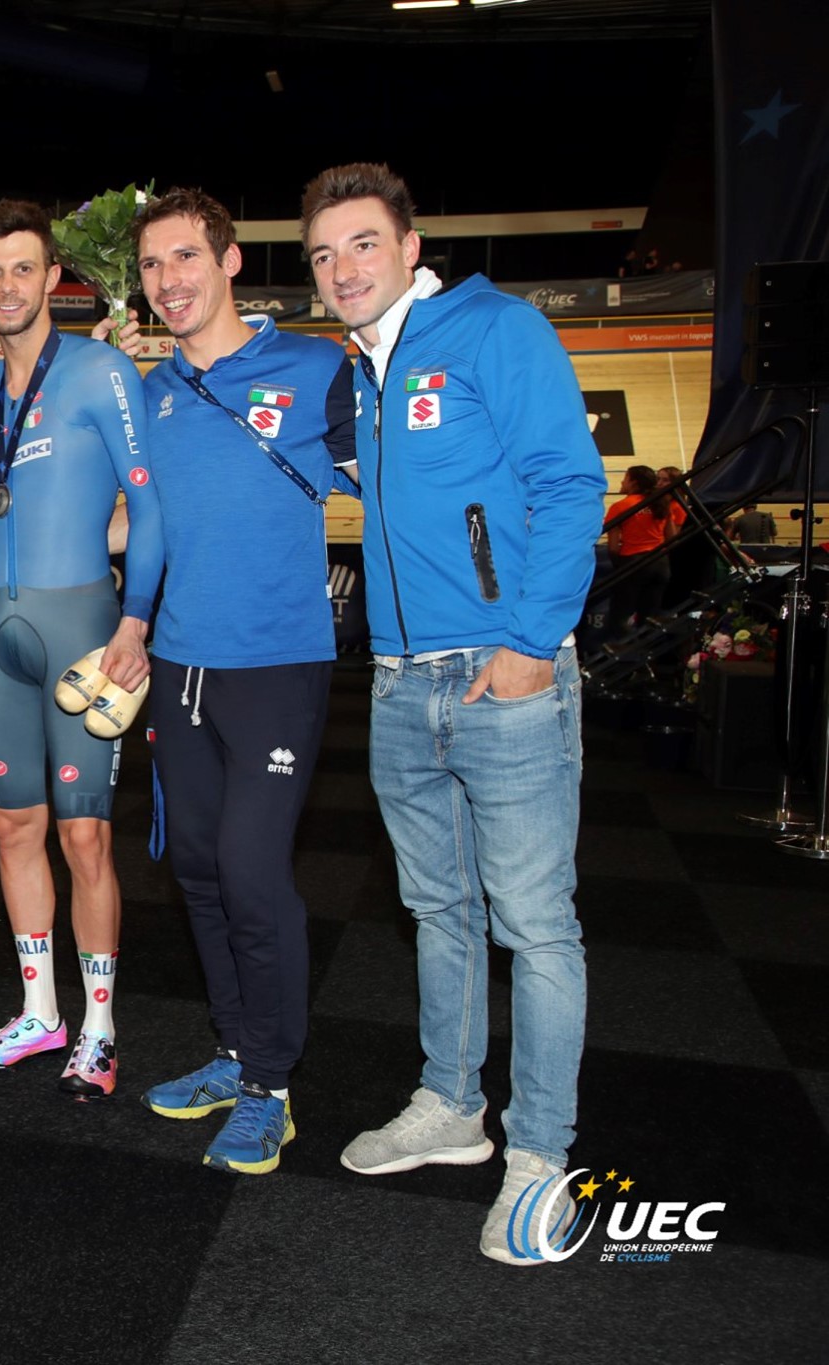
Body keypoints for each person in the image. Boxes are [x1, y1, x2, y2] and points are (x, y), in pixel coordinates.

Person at [301, 162, 604, 1265]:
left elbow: (572, 486)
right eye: (324, 252)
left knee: (535, 924)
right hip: (395, 680)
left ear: (409, 246)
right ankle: (449, 1106)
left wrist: (529, 647)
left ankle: (539, 1157)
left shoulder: (492, 330)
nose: (342, 268)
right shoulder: (364, 370)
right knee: (437, 913)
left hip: (502, 676)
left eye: (362, 244)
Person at [98, 188, 356, 1171]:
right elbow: (134, 527)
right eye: (152, 267)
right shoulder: (150, 391)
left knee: (253, 876)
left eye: (183, 259)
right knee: (198, 872)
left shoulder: (314, 366)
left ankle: (270, 1086)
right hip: (177, 665)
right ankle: (232, 1051)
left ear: (228, 260)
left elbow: (385, 477)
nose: (168, 281)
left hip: (276, 666)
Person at [0, 199, 166, 1098]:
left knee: (84, 836)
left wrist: (136, 620)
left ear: (54, 278)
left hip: (86, 627)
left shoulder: (100, 369)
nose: (8, 286)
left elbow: (150, 506)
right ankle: (41, 1011)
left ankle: (102, 1027)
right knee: (12, 825)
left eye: (23, 269)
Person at [605, 465, 672, 634]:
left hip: (633, 563)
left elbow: (612, 547)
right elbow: (672, 537)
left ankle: (618, 657)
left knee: (619, 615)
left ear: (633, 483)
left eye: (625, 478)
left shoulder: (620, 506)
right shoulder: (662, 503)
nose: (622, 481)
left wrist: (619, 565)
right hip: (660, 563)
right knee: (650, 616)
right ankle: (646, 655)